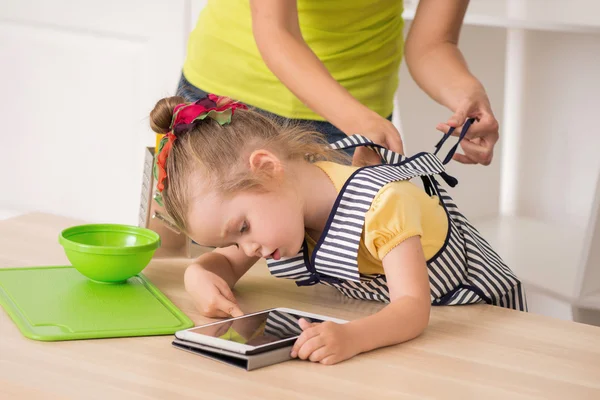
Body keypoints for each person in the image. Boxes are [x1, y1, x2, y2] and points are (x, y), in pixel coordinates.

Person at [149, 94, 526, 366]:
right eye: (233, 241)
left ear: (266, 167)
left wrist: (351, 337)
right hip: (413, 336)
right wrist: (198, 272)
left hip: (480, 320)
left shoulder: (383, 204)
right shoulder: (286, 206)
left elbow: (412, 308)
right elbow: (225, 265)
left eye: (243, 228)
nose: (246, 250)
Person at [177, 0, 499, 165]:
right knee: (171, 267)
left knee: (333, 289)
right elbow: (276, 31)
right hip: (224, 104)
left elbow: (433, 44)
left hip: (352, 128)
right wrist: (359, 121)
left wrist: (466, 93)